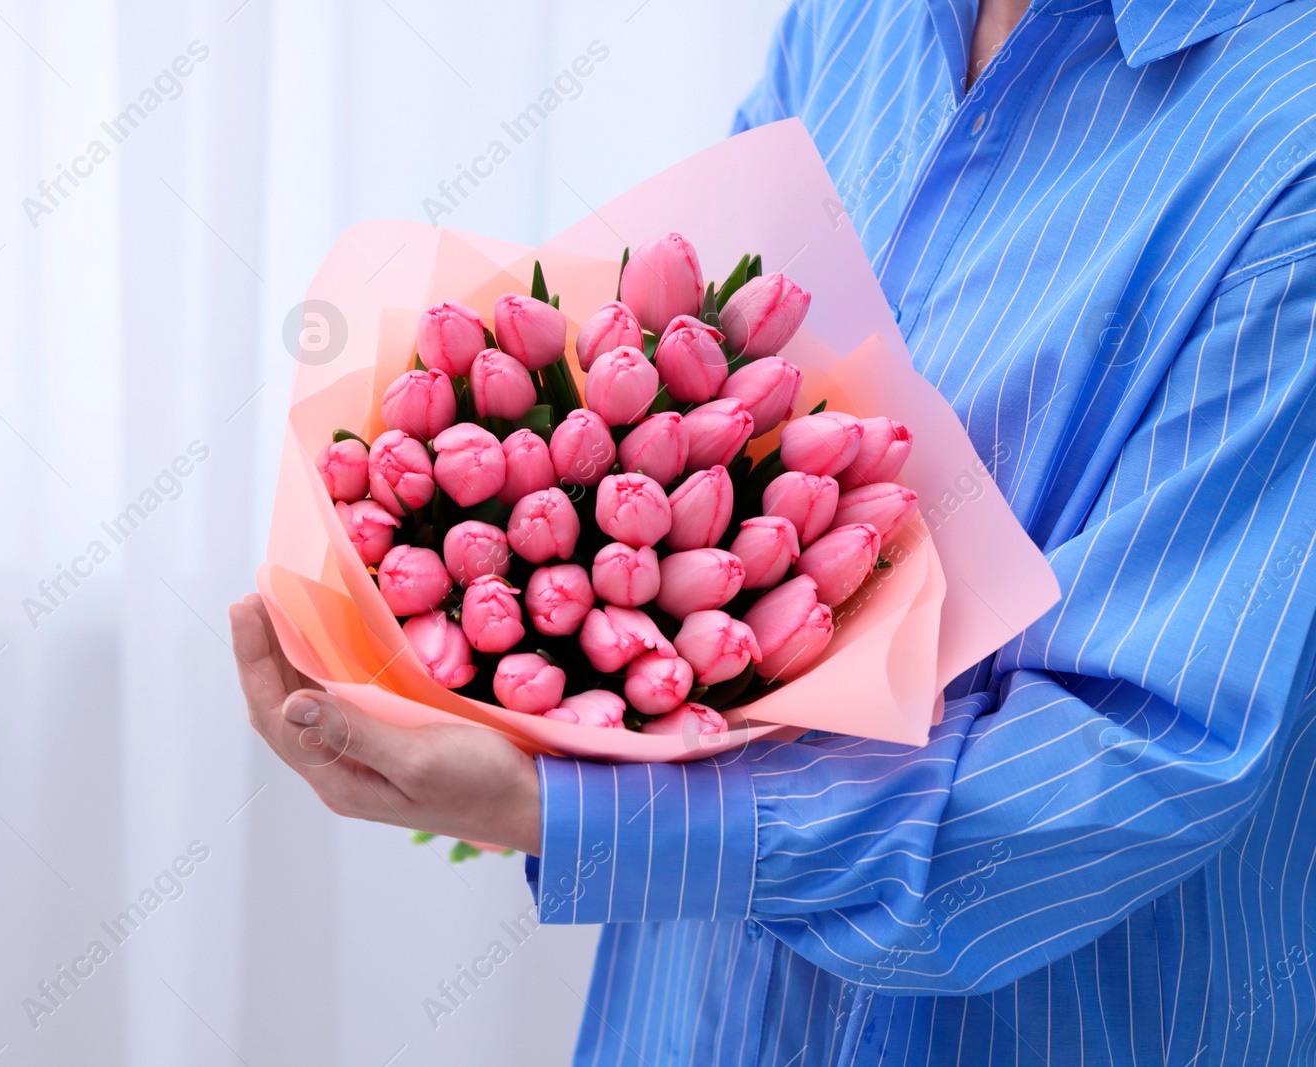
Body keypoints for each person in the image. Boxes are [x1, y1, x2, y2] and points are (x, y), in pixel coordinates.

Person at [233, 0, 1316, 1060]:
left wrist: (567, 811)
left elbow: (1135, 760)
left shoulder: (1288, 133)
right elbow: (685, 396)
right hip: (682, 1013)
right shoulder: (850, 23)